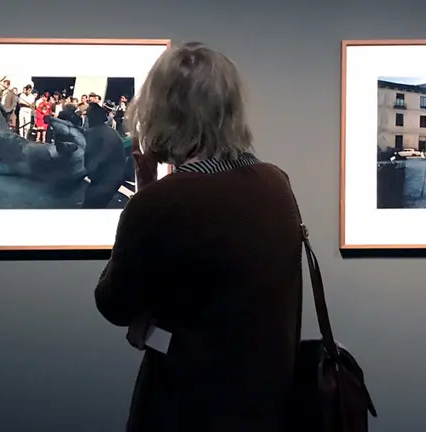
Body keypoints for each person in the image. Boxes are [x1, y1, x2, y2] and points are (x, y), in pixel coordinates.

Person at [94, 41, 303, 432]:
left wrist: (146, 200)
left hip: (187, 410)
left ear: (163, 111)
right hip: (268, 408)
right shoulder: (276, 183)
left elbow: (114, 303)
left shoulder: (161, 203)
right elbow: (221, 286)